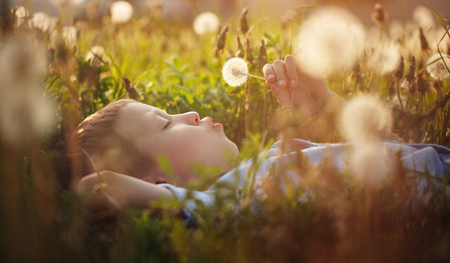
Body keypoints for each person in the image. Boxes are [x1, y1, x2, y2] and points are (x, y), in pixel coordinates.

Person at [72, 55, 450, 221]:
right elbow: (94, 187)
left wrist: (325, 105)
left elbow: (397, 151)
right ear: (159, 184)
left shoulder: (269, 160)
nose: (187, 114)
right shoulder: (215, 206)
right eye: (168, 124)